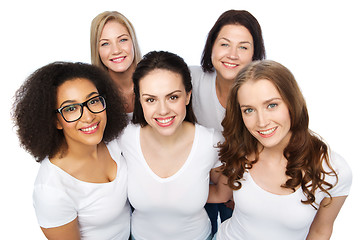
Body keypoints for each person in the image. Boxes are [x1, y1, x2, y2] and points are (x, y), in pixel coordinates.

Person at [208, 60, 352, 239]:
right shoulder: (239, 149)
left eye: (272, 105)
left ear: (292, 102)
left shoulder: (333, 170)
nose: (261, 122)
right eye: (249, 110)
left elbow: (320, 231)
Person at [12, 62, 130, 239]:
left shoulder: (115, 142)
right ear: (56, 121)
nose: (89, 116)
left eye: (94, 101)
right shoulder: (51, 189)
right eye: (71, 108)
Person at [117, 51, 222, 240]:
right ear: (140, 100)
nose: (163, 110)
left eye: (172, 97)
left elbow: (223, 193)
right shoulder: (125, 139)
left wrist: (186, 197)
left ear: (188, 96)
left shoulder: (211, 142)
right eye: (151, 99)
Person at [190, 9, 266, 235]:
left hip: (243, 187)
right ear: (211, 46)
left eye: (243, 47)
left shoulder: (262, 93)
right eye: (225, 44)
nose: (232, 55)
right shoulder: (192, 79)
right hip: (197, 185)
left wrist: (239, 192)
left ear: (254, 54)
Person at [91, 11, 142, 116]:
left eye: (122, 40)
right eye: (105, 43)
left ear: (133, 42)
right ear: (97, 50)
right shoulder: (93, 95)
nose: (116, 50)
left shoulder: (155, 82)